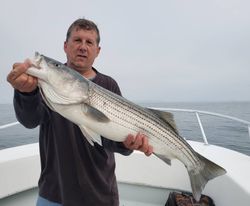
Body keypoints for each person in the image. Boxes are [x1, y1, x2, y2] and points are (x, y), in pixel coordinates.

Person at [7, 18, 153, 206]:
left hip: (99, 194)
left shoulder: (109, 85)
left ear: (97, 51)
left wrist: (128, 144)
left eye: (89, 42)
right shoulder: (46, 82)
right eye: (77, 40)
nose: (83, 47)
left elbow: (113, 140)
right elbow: (30, 120)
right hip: (53, 192)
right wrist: (25, 93)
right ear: (65, 46)